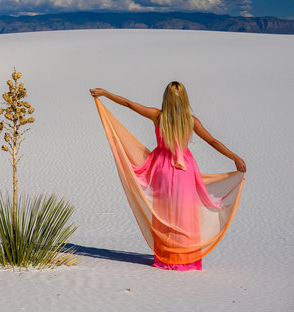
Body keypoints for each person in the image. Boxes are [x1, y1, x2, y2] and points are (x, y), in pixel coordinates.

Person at [90, 82, 246, 271]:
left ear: (166, 98)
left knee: (165, 212)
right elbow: (213, 141)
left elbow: (129, 104)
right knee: (185, 213)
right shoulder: (191, 121)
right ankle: (186, 257)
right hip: (185, 171)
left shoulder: (158, 116)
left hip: (162, 169)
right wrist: (235, 157)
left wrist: (105, 93)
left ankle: (167, 257)